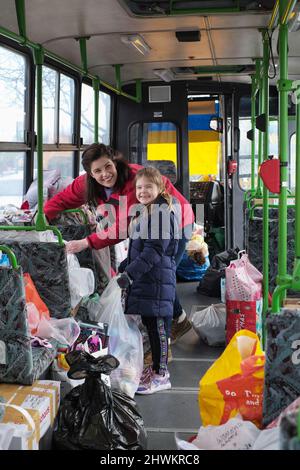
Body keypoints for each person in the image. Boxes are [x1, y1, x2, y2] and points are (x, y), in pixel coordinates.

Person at [44, 143, 194, 341]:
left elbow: (124, 226)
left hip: (175, 223)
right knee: (151, 277)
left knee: (157, 277)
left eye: (108, 166)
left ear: (114, 161)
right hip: (146, 228)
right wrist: (41, 217)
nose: (105, 174)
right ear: (90, 174)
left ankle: (162, 343)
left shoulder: (136, 180)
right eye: (97, 170)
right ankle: (176, 322)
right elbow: (63, 199)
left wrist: (87, 242)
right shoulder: (86, 184)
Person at [117, 167, 178, 394]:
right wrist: (124, 267)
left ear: (159, 188)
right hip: (151, 280)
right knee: (153, 327)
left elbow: (153, 252)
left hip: (156, 280)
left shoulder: (160, 214)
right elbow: (140, 249)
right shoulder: (150, 212)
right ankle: (155, 369)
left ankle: (161, 375)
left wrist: (130, 274)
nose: (142, 191)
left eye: (148, 187)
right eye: (139, 187)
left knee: (158, 328)